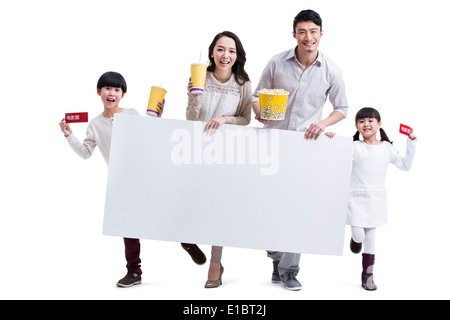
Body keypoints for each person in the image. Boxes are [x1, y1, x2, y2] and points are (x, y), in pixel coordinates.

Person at [252, 9, 348, 291]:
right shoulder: (276, 63)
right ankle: (276, 256)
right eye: (302, 32)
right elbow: (256, 95)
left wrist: (322, 123)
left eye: (313, 31)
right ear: (294, 34)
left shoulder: (332, 70)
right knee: (267, 206)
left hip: (305, 149)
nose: (308, 37)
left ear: (321, 34)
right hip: (271, 143)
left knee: (297, 208)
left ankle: (289, 270)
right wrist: (259, 113)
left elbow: (341, 109)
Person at [59, 71, 165, 288]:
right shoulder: (95, 125)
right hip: (122, 182)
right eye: (108, 89)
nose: (112, 93)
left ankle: (187, 241)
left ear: (122, 95)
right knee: (129, 226)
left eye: (117, 90)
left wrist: (158, 119)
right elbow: (86, 152)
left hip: (145, 174)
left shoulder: (131, 114)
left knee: (164, 211)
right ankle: (134, 272)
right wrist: (69, 135)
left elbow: (149, 136)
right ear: (99, 92)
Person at [186, 31, 252, 288]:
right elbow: (192, 119)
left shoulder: (243, 83)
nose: (226, 55)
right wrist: (195, 98)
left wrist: (225, 119)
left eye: (232, 51)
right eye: (221, 49)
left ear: (237, 56)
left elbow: (246, 119)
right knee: (192, 204)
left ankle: (215, 262)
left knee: (218, 207)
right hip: (196, 150)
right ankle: (188, 241)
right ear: (212, 51)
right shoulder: (199, 76)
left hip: (227, 153)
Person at [327, 107, 417, 290]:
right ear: (356, 126)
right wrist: (330, 140)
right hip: (355, 197)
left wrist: (412, 144)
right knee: (359, 234)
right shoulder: (354, 146)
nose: (366, 124)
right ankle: (355, 240)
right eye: (361, 121)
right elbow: (335, 159)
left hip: (375, 200)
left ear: (379, 124)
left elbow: (405, 165)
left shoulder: (387, 148)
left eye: (370, 120)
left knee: (371, 237)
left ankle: (367, 276)